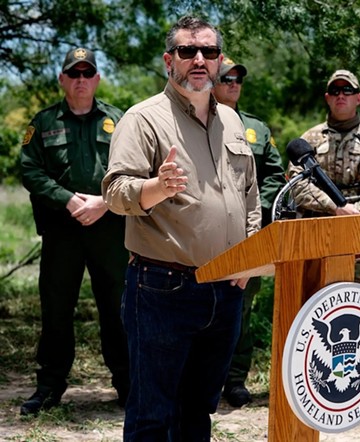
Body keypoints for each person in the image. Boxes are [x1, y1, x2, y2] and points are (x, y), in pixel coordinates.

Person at [102, 16, 260, 440]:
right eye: (188, 51)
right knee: (152, 415)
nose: (198, 59)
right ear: (169, 60)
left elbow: (249, 197)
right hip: (162, 289)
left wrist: (248, 259)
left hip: (226, 290)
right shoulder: (144, 118)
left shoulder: (231, 121)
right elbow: (115, 192)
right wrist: (155, 187)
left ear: (219, 60)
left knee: (198, 413)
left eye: (208, 51)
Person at [19, 47, 129, 416]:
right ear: (62, 79)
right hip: (62, 231)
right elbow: (30, 170)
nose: (81, 79)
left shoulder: (119, 120)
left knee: (117, 307)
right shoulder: (43, 122)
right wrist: (67, 200)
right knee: (56, 309)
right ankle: (49, 387)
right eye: (74, 73)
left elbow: (134, 169)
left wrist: (103, 202)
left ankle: (128, 384)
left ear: (97, 79)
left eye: (87, 73)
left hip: (109, 229)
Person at [212, 58, 286, 407]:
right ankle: (203, 378)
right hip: (205, 232)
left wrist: (256, 204)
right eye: (226, 78)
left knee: (242, 306)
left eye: (238, 79)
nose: (233, 83)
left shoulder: (255, 128)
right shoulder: (195, 121)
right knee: (199, 306)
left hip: (249, 231)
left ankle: (235, 379)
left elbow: (274, 173)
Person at [287, 69, 360, 301]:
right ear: (327, 98)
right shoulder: (309, 139)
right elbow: (297, 185)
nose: (341, 95)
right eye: (335, 91)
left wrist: (356, 215)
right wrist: (335, 208)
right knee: (317, 304)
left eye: (347, 90)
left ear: (358, 98)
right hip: (319, 236)